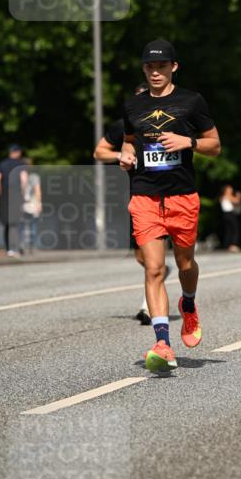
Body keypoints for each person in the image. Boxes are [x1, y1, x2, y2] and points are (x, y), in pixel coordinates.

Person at [119, 39, 221, 372]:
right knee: (154, 269)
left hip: (182, 196)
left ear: (173, 67)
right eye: (150, 66)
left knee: (185, 263)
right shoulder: (132, 106)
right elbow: (129, 141)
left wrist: (187, 142)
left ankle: (188, 304)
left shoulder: (191, 102)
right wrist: (127, 154)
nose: (155, 72)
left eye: (162, 66)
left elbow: (215, 145)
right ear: (143, 68)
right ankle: (162, 342)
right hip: (145, 195)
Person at [94, 83, 164, 325]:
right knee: (141, 256)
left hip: (168, 195)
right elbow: (99, 152)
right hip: (138, 196)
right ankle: (157, 271)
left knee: (153, 260)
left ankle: (149, 306)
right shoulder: (123, 126)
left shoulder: (169, 122)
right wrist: (119, 155)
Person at [0, 144, 27, 256]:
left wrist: (0, 193)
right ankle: (17, 247)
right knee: (17, 222)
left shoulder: (2, 164)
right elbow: (24, 179)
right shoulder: (20, 164)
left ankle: (8, 249)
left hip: (5, 196)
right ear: (18, 152)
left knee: (6, 223)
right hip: (16, 195)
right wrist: (23, 194)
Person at [20, 157, 42, 254]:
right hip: (30, 204)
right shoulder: (34, 176)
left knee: (23, 226)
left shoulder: (20, 175)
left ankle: (24, 246)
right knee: (32, 226)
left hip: (24, 204)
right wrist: (38, 203)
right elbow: (37, 190)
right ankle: (30, 247)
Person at [219, 184, 241, 252]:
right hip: (230, 214)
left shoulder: (222, 197)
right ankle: (233, 245)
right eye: (229, 189)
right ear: (226, 190)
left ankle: (227, 245)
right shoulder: (228, 196)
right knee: (235, 229)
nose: (231, 190)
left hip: (225, 215)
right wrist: (239, 196)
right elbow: (237, 201)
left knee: (228, 230)